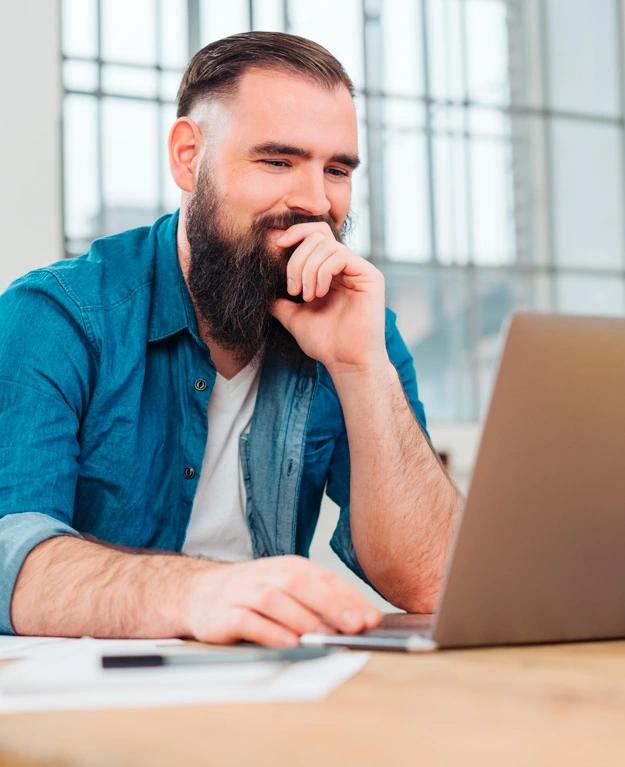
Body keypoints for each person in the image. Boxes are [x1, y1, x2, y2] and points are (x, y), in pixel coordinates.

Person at [0, 32, 461, 647]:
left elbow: (433, 582)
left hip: (266, 694)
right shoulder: (59, 317)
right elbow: (10, 554)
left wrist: (360, 366)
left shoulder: (358, 325)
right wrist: (195, 591)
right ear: (189, 157)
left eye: (337, 170)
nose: (316, 203)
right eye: (277, 161)